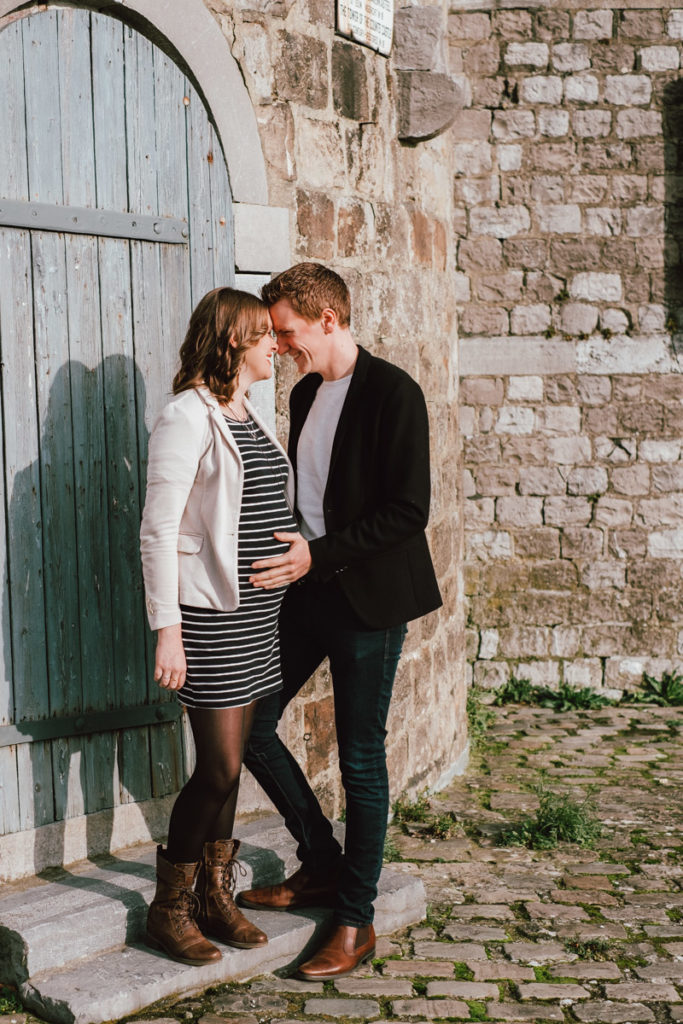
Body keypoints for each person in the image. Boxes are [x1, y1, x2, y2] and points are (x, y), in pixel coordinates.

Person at [239, 262, 442, 980]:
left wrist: (316, 554)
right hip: (308, 595)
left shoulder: (393, 391)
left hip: (371, 601)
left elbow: (408, 511)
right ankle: (320, 864)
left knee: (360, 759)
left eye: (287, 331)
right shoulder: (304, 392)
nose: (281, 344)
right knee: (250, 726)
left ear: (328, 319)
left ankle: (355, 920)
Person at [139, 287, 298, 966]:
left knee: (229, 772)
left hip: (259, 613)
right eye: (265, 335)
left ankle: (214, 894)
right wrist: (166, 629)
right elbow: (158, 531)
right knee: (220, 765)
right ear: (233, 340)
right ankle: (167, 906)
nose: (277, 345)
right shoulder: (186, 416)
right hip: (208, 615)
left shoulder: (247, 411)